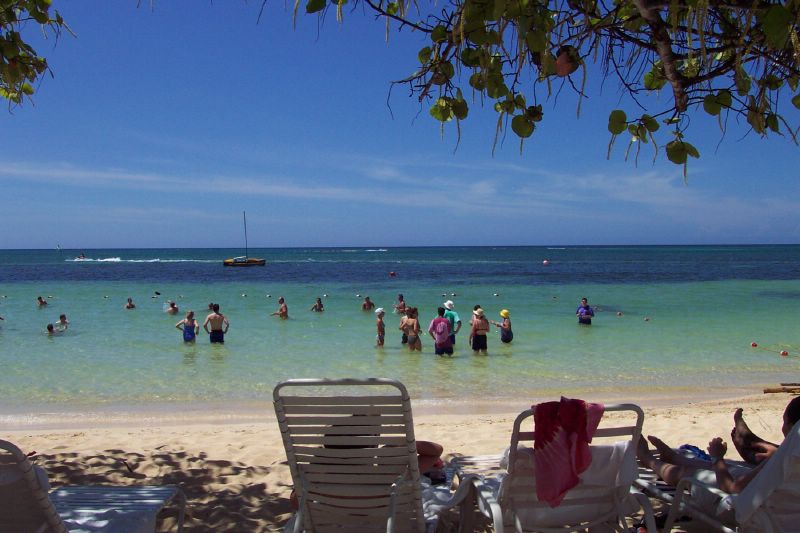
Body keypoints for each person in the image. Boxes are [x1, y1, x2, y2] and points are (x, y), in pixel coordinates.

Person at [637, 396, 800, 495]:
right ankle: (673, 458)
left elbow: (731, 488)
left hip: (746, 510)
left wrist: (717, 458)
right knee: (728, 467)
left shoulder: (783, 463)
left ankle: (648, 459)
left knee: (687, 473)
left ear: (793, 428)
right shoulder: (790, 459)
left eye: (784, 421)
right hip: (777, 504)